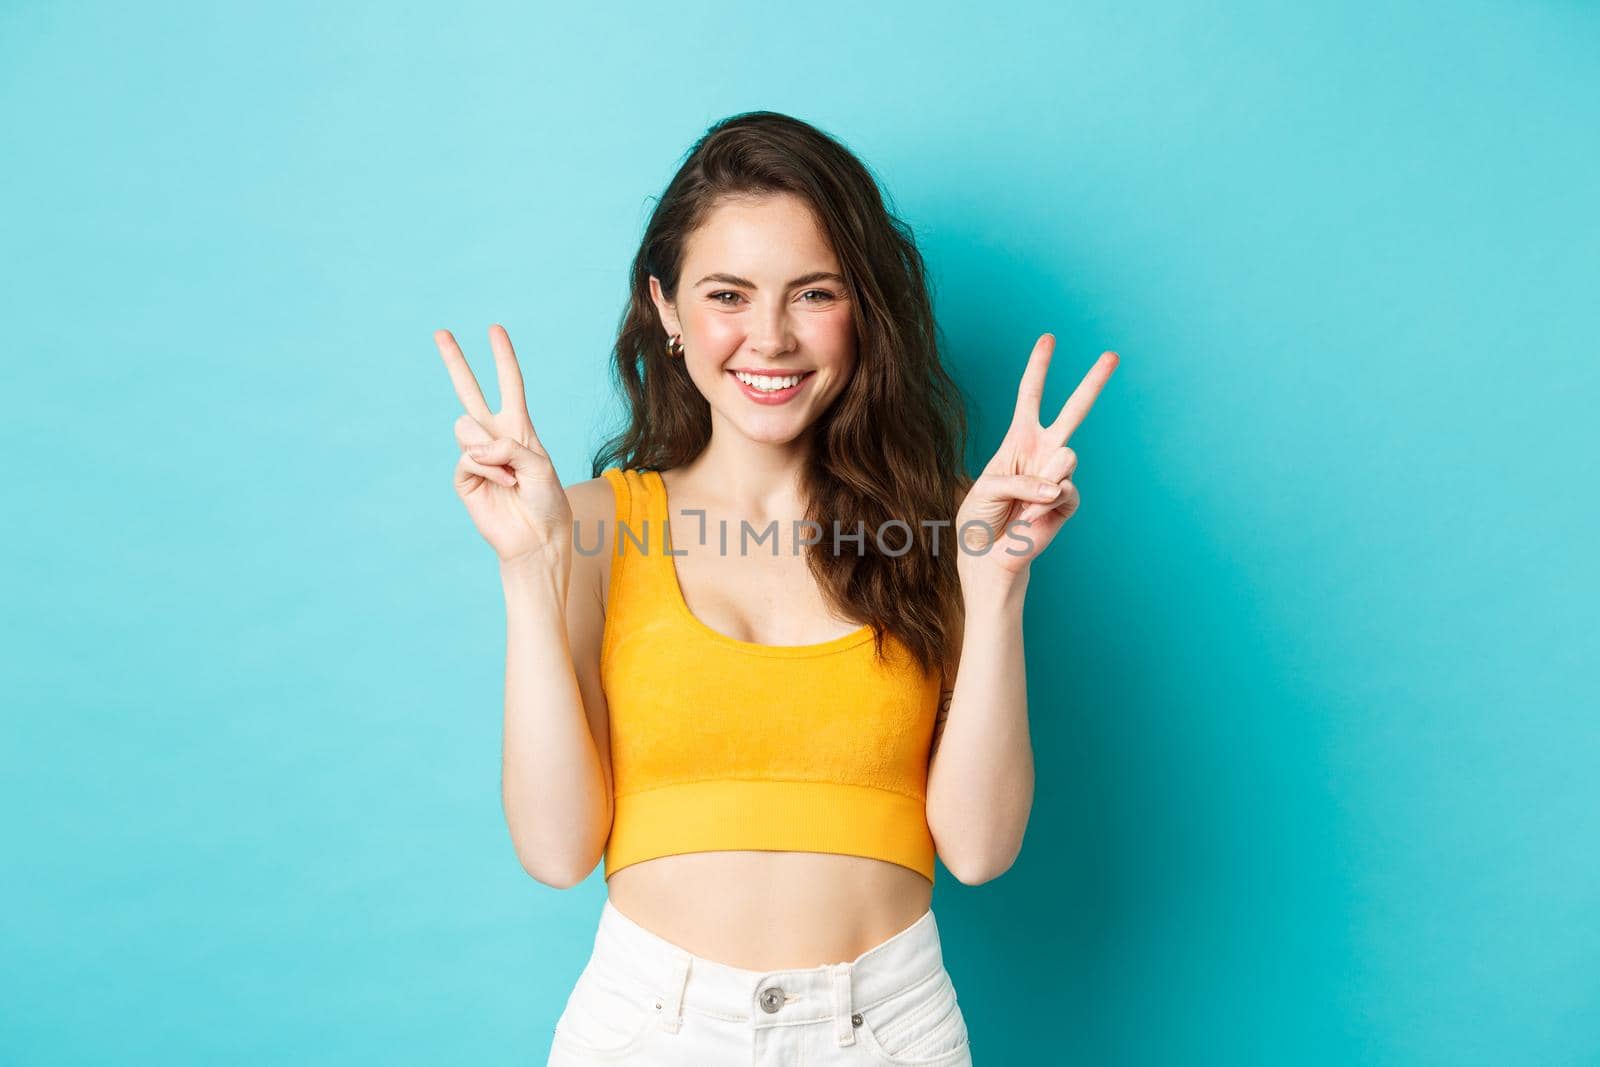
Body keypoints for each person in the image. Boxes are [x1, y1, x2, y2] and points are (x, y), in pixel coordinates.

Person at [434, 111, 1117, 1066]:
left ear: (862, 308)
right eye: (727, 294)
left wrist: (997, 588)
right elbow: (557, 851)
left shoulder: (951, 528)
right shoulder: (586, 523)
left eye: (813, 293)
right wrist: (526, 568)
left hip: (886, 1028)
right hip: (646, 1027)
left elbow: (978, 848)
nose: (770, 338)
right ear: (667, 309)